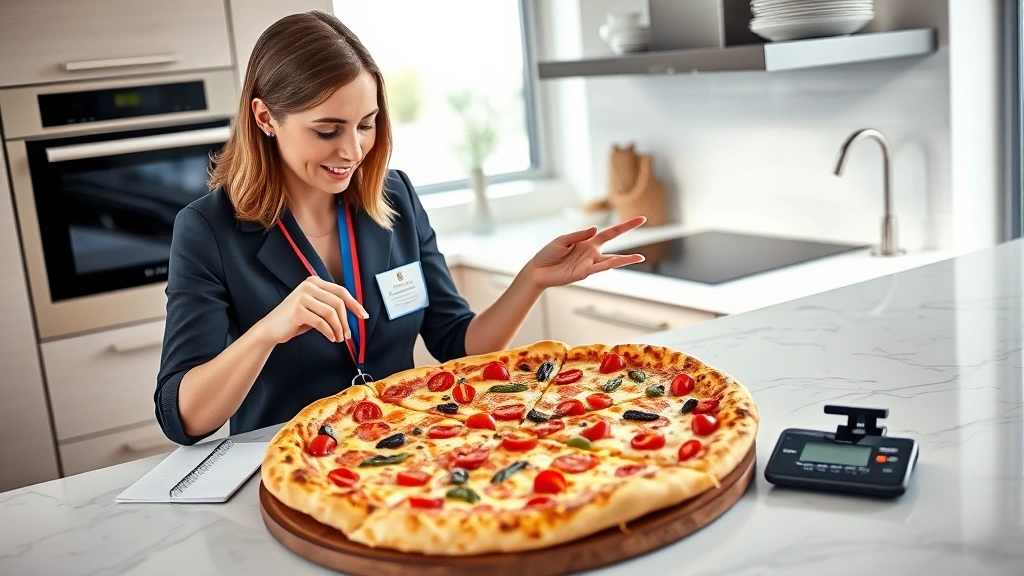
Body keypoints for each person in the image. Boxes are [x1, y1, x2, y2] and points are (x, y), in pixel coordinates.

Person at [154, 11, 646, 446]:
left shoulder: (394, 197)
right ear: (265, 117)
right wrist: (268, 331)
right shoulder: (206, 230)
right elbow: (183, 417)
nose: (351, 150)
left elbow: (457, 342)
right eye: (327, 131)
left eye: (366, 124)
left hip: (401, 455)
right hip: (290, 466)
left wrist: (531, 280)